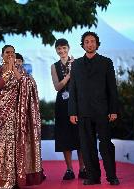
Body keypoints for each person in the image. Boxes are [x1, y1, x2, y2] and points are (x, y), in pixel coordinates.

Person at [0, 45, 45, 189]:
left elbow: (25, 84)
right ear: (2, 55)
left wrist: (14, 70)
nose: (10, 55)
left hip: (15, 115)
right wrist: (7, 74)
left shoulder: (20, 71)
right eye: (7, 52)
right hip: (0, 113)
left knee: (14, 146)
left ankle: (12, 180)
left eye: (12, 53)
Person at [68, 31, 120, 185]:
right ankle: (93, 177)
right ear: (83, 45)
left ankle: (112, 176)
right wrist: (72, 111)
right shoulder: (76, 64)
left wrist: (114, 109)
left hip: (102, 110)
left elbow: (112, 88)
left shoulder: (106, 62)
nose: (90, 44)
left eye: (92, 41)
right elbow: (73, 89)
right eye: (86, 41)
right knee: (87, 146)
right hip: (83, 111)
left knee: (106, 145)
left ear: (97, 44)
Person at [51, 38, 86, 180]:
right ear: (56, 50)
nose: (62, 51)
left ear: (69, 48)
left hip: (77, 102)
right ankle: (69, 169)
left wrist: (74, 71)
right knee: (65, 135)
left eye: (64, 48)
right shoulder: (54, 66)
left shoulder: (77, 63)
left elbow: (83, 84)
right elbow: (57, 87)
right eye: (59, 49)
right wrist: (68, 76)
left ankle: (83, 168)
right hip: (62, 103)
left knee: (80, 135)